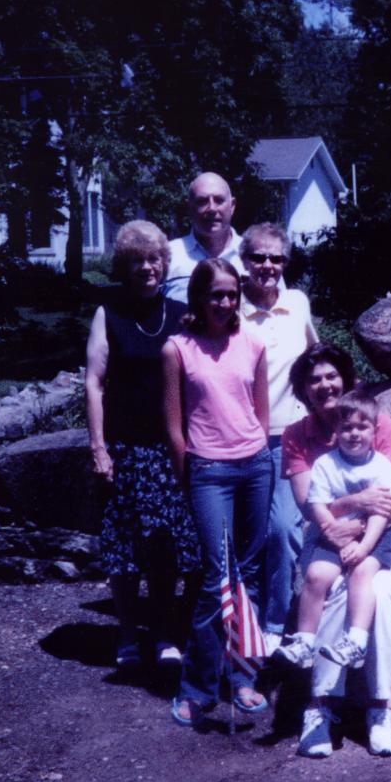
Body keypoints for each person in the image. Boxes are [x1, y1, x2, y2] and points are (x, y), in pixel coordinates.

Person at [281, 343, 391, 758]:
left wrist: (360, 528)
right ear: (304, 390)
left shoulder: (377, 422)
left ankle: (379, 709)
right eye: (314, 379)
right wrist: (354, 507)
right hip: (327, 533)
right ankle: (320, 707)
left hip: (386, 532)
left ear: (346, 379)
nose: (324, 385)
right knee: (330, 587)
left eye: (331, 376)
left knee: (375, 592)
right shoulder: (298, 436)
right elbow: (310, 504)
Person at [84, 220, 200, 669]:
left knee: (170, 546)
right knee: (125, 546)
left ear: (164, 264)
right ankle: (128, 632)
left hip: (171, 448)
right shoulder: (107, 313)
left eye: (153, 260)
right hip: (126, 449)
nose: (147, 268)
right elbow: (94, 384)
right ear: (124, 266)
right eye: (137, 261)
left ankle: (165, 631)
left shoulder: (180, 314)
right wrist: (99, 447)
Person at [162, 258, 272, 726]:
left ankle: (243, 679)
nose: (225, 303)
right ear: (199, 299)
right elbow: (173, 426)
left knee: (248, 574)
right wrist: (191, 474)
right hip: (208, 469)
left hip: (255, 466)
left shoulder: (252, 342)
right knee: (215, 578)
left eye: (231, 294)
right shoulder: (177, 349)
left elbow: (261, 412)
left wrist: (257, 451)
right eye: (216, 295)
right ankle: (198, 689)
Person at [277, 392, 391, 671]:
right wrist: (330, 530)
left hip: (375, 532)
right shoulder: (325, 464)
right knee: (316, 575)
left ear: (374, 429)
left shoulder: (382, 466)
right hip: (334, 531)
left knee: (361, 571)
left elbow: (381, 512)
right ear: (336, 430)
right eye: (347, 428)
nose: (354, 434)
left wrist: (364, 547)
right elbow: (316, 503)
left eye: (362, 427)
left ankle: (356, 641)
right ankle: (305, 641)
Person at [238, 222, 317, 653]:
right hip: (242, 441)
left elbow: (317, 360)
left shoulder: (298, 304)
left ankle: (274, 625)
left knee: (284, 529)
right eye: (259, 257)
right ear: (244, 262)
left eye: (276, 258)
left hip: (291, 436)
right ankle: (240, 625)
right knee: (249, 535)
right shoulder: (232, 311)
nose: (267, 266)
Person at [164, 173, 245, 305]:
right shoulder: (168, 256)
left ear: (232, 206)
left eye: (219, 200)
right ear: (189, 207)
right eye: (202, 201)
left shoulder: (256, 257)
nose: (212, 208)